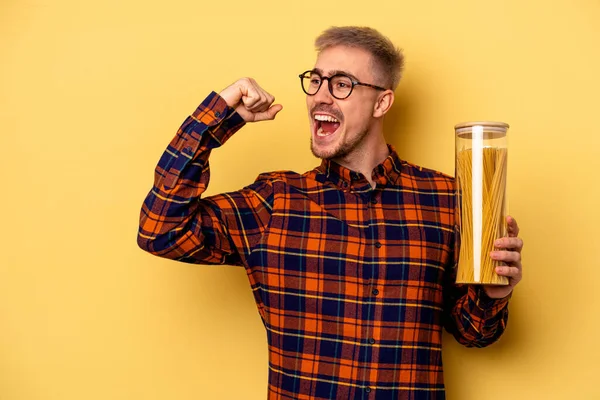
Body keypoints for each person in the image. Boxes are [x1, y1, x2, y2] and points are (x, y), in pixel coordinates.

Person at [137, 26, 523, 400]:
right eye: (316, 80)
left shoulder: (444, 199)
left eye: (341, 84)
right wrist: (217, 117)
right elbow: (160, 229)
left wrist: (494, 292)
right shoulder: (275, 202)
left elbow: (475, 333)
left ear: (382, 102)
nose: (321, 96)